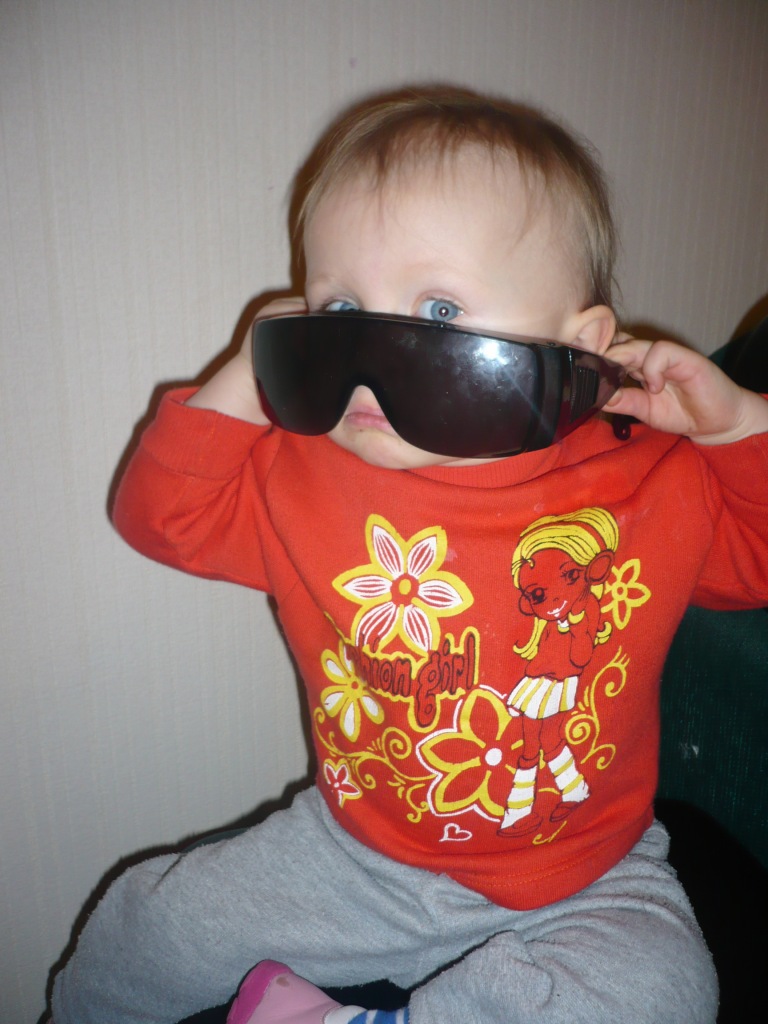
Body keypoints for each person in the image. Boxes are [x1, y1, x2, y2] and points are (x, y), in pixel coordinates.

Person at [50, 87, 768, 1024]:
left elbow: (756, 560)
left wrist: (739, 429)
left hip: (592, 872)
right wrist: (253, 372)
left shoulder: (654, 481)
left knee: (667, 992)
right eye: (342, 306)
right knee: (145, 927)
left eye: (437, 308)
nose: (372, 351)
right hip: (357, 858)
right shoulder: (299, 472)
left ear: (580, 344)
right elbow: (161, 518)